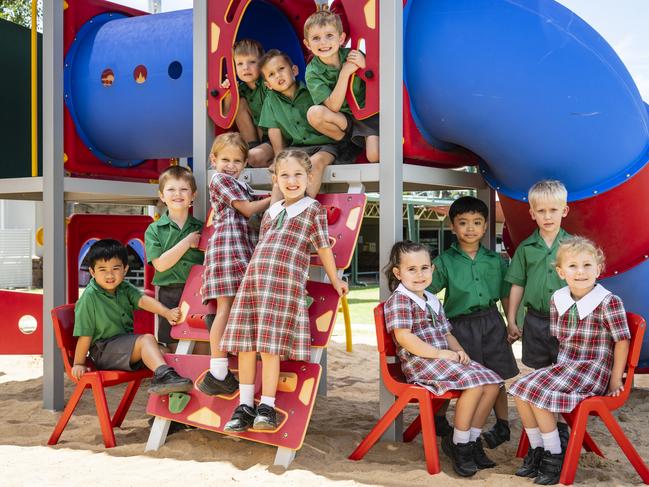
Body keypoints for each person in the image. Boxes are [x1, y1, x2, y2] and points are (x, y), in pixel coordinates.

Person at [220, 149, 348, 432]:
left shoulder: (312, 210)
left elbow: (323, 247)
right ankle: (244, 406)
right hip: (254, 285)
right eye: (285, 175)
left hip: (283, 287)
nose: (292, 181)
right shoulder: (272, 211)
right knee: (246, 346)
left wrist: (335, 279)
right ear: (276, 179)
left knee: (269, 348)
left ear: (309, 177)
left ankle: (266, 405)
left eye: (298, 175)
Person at [509, 237, 630, 485]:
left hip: (593, 369)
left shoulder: (608, 302)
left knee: (539, 393)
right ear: (561, 272)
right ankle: (538, 449)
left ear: (598, 269)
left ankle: (554, 453)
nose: (581, 272)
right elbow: (561, 341)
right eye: (573, 266)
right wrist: (553, 372)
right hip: (567, 366)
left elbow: (622, 340)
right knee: (521, 389)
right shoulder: (558, 299)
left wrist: (615, 378)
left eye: (587, 265)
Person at [384, 240, 503, 478]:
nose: (420, 274)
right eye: (411, 269)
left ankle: (471, 439)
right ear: (398, 273)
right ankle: (458, 444)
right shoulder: (400, 300)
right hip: (422, 363)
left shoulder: (432, 299)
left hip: (444, 361)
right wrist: (439, 354)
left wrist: (460, 352)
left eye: (424, 268)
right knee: (475, 383)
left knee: (493, 382)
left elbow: (447, 333)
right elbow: (405, 338)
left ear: (432, 268)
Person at [428, 196, 519, 448]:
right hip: (459, 325)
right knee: (460, 374)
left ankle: (502, 425)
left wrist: (511, 322)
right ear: (452, 227)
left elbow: (504, 294)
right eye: (463, 222)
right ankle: (438, 418)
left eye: (477, 222)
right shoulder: (443, 261)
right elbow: (428, 291)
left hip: (492, 322)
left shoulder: (496, 261)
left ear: (486, 226)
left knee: (497, 376)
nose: (470, 228)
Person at [197, 132, 271, 396]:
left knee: (231, 308)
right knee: (226, 308)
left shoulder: (239, 184)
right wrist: (277, 198)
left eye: (237, 161)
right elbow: (249, 210)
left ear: (244, 164)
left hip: (237, 250)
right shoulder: (219, 180)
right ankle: (218, 372)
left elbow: (252, 200)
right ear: (213, 160)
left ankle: (221, 361)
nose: (230, 165)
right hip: (227, 251)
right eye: (225, 159)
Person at [72, 239, 192, 395]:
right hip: (104, 351)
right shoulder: (90, 298)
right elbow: (85, 334)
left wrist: (166, 312)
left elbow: (142, 300)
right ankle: (163, 376)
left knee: (164, 352)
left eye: (116, 268)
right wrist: (78, 363)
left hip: (123, 346)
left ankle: (168, 403)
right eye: (102, 269)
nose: (110, 275)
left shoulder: (123, 288)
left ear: (125, 269)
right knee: (148, 340)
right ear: (92, 272)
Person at [505, 180, 572, 446]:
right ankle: (545, 433)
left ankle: (563, 429)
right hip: (534, 321)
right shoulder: (525, 249)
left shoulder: (571, 247)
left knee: (562, 374)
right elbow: (517, 284)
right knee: (537, 374)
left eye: (553, 210)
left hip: (566, 322)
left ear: (564, 211)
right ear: (532, 213)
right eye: (541, 211)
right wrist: (512, 319)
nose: (547, 216)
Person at [258, 49, 345, 197]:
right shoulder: (271, 100)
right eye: (271, 74)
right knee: (283, 169)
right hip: (298, 148)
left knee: (314, 163)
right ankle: (274, 214)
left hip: (326, 145)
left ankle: (303, 208)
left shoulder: (312, 90)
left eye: (281, 69)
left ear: (294, 70)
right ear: (268, 85)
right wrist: (279, 158)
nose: (278, 75)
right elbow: (274, 130)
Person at [303, 9, 379, 163]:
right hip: (344, 119)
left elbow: (376, 76)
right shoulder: (312, 71)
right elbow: (333, 106)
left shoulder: (353, 55)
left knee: (374, 157)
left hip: (367, 115)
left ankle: (367, 139)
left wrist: (364, 65)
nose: (323, 42)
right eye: (316, 38)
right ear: (307, 44)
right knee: (314, 113)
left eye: (329, 36)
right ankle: (349, 143)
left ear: (341, 38)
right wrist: (345, 73)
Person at [145, 165, 205, 353]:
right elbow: (161, 265)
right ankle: (177, 379)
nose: (177, 194)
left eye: (183, 189)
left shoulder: (202, 228)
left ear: (193, 195)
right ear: (162, 195)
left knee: (202, 339)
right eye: (171, 189)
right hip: (170, 293)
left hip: (199, 293)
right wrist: (187, 242)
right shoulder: (154, 230)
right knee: (173, 342)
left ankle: (200, 379)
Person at [221, 39, 274, 168]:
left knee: (251, 158)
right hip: (256, 141)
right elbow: (227, 115)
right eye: (240, 64)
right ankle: (252, 146)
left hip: (276, 140)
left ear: (262, 63)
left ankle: (262, 157)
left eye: (252, 62)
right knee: (239, 101)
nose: (245, 67)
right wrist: (228, 93)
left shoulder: (268, 84)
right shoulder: (241, 90)